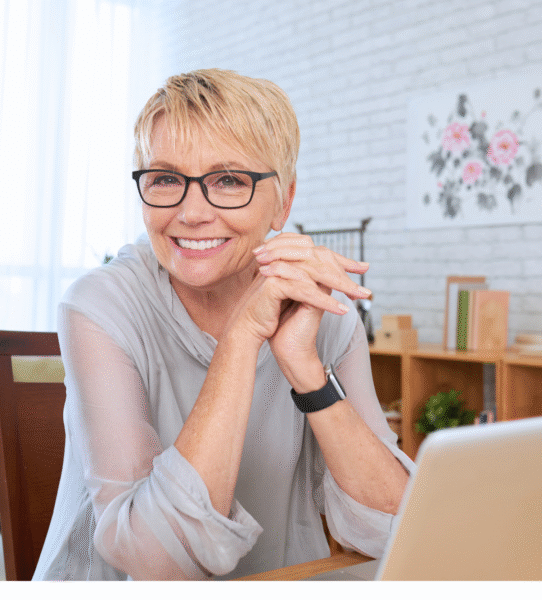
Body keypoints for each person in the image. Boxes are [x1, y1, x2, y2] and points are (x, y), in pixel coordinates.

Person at [33, 68, 413, 580]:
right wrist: (241, 338)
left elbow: (395, 529)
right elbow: (157, 562)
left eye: (228, 180)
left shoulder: (318, 310)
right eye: (166, 178)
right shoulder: (99, 305)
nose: (191, 212)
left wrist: (306, 369)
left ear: (285, 200)